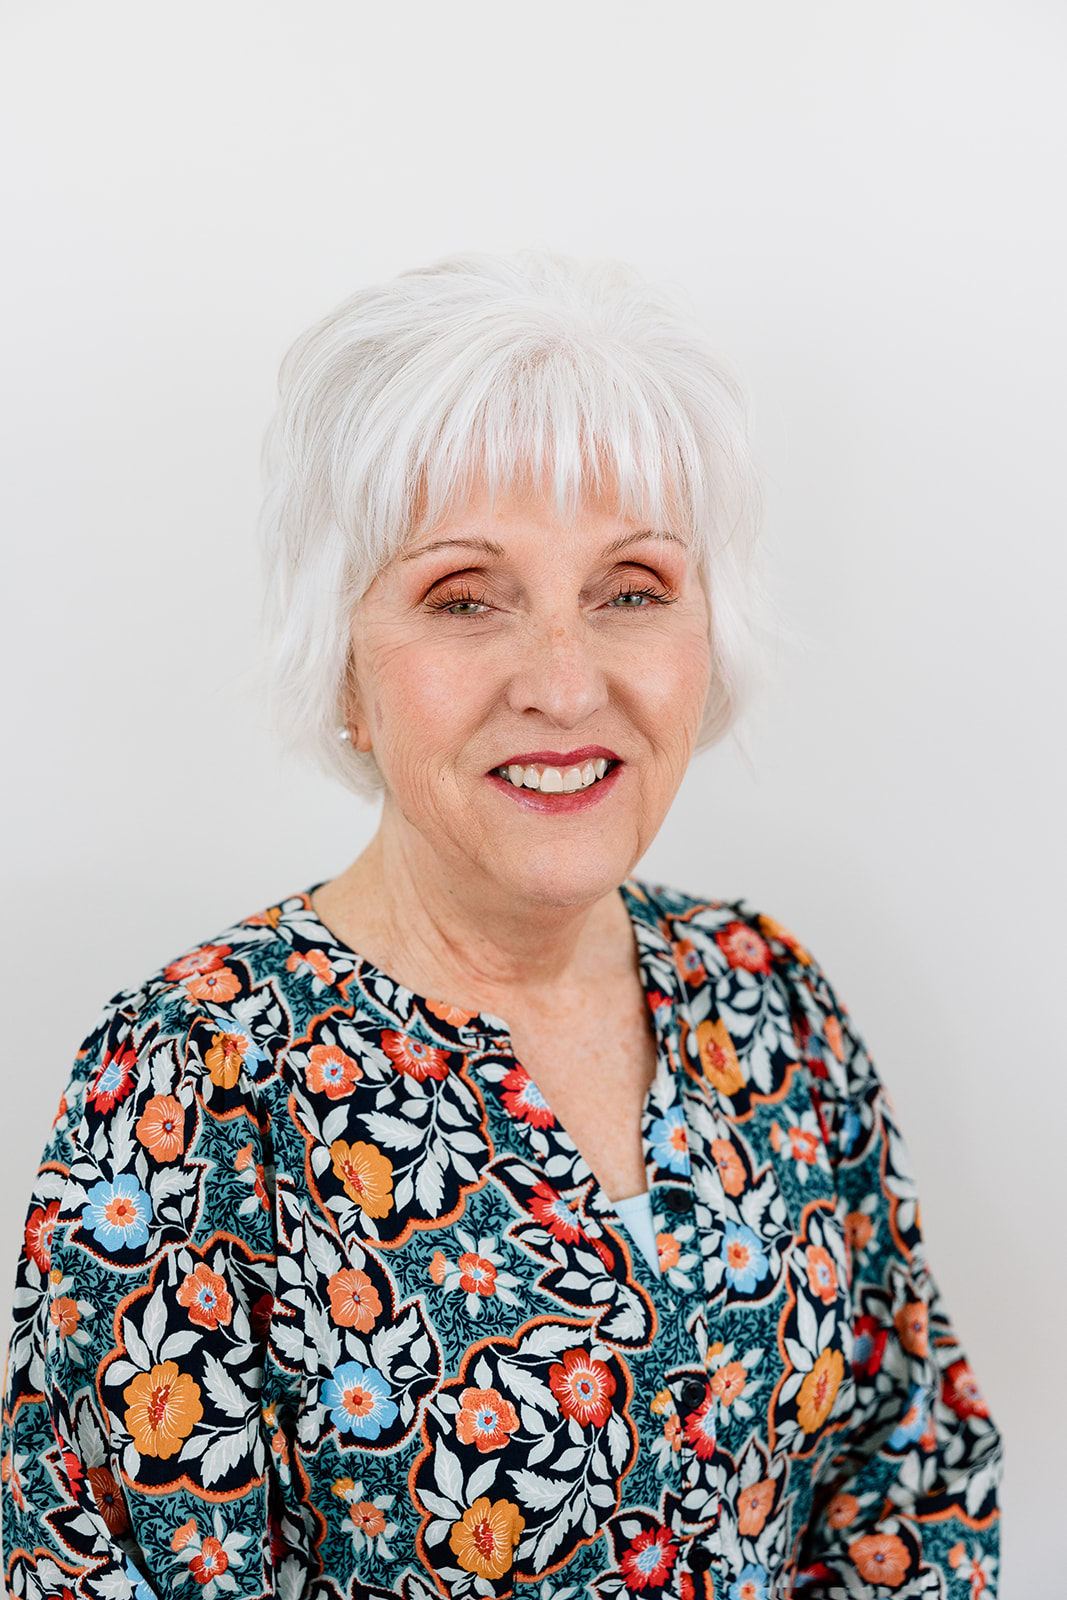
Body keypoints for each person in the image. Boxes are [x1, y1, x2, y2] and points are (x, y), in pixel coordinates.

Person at [2, 254, 1000, 1600]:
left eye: (632, 589)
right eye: (465, 597)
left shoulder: (770, 1001)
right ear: (344, 660)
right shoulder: (192, 1081)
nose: (565, 680)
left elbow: (911, 1480)